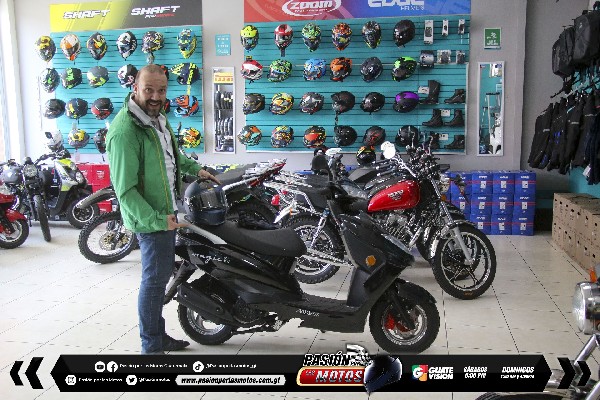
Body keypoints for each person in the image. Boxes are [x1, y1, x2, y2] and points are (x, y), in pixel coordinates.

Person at [106, 64, 219, 354]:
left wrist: (197, 170)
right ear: (135, 88)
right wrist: (158, 220)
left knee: (159, 279)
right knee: (154, 283)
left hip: (167, 212)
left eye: (161, 90)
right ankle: (151, 347)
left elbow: (173, 157)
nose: (156, 96)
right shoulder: (125, 131)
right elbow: (125, 191)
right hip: (153, 220)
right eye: (149, 90)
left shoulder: (157, 118)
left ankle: (157, 336)